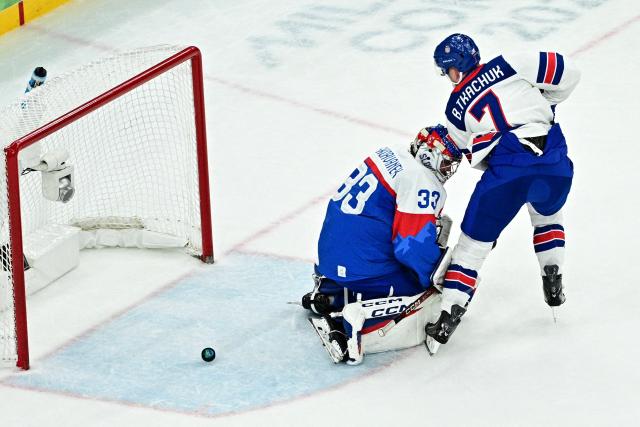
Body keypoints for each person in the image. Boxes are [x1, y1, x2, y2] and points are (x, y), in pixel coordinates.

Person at [426, 34, 581, 345]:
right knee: (548, 217)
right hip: (553, 158)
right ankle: (553, 276)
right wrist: (543, 103)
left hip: (508, 168)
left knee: (472, 247)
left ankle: (448, 317)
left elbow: (452, 149)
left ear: (454, 70)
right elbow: (570, 73)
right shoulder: (511, 62)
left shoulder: (456, 104)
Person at [302, 125, 462, 364]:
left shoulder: (390, 153)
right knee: (425, 287)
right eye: (447, 161)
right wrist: (431, 275)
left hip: (330, 257)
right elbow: (410, 247)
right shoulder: (421, 180)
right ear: (431, 154)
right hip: (362, 266)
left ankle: (329, 293)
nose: (449, 169)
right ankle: (359, 319)